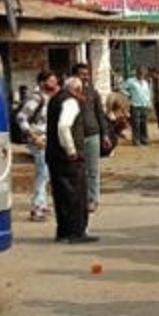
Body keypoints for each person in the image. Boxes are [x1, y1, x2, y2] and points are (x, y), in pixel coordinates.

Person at [45, 76, 96, 243]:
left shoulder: (55, 100)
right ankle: (76, 232)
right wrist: (71, 149)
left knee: (61, 195)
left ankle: (63, 231)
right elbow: (64, 126)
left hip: (54, 155)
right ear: (77, 90)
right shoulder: (70, 102)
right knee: (76, 194)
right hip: (68, 157)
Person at [17, 70, 60, 222]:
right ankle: (37, 208)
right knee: (43, 174)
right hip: (39, 139)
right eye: (51, 81)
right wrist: (33, 137)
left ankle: (43, 204)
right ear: (42, 83)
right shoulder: (36, 98)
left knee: (47, 173)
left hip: (49, 139)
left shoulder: (51, 98)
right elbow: (21, 117)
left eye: (55, 81)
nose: (55, 84)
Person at [72, 63, 111, 213]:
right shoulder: (69, 94)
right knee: (78, 169)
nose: (85, 77)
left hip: (93, 134)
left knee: (93, 169)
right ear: (75, 76)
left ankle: (93, 199)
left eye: (87, 74)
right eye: (82, 74)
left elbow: (100, 114)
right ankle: (79, 198)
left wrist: (105, 134)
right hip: (76, 137)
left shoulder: (93, 93)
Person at [122, 66, 152, 146]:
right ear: (137, 72)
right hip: (135, 105)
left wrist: (149, 103)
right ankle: (136, 140)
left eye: (143, 72)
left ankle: (144, 139)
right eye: (140, 72)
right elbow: (122, 88)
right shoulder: (130, 81)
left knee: (144, 124)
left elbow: (147, 94)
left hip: (144, 105)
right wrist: (129, 95)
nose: (142, 74)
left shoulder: (145, 83)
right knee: (136, 124)